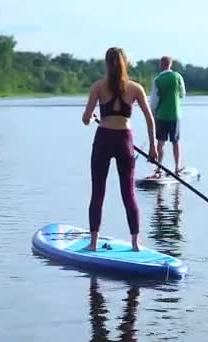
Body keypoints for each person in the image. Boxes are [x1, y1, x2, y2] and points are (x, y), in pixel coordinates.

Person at [81, 47, 158, 252]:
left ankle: (94, 243)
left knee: (98, 192)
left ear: (106, 64)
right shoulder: (135, 88)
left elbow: (86, 118)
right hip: (125, 141)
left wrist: (90, 118)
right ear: (126, 63)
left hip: (104, 139)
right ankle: (135, 244)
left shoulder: (98, 86)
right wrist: (152, 148)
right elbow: (150, 120)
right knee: (129, 194)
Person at [149, 56, 186, 176]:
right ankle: (177, 167)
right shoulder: (178, 77)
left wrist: (153, 115)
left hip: (162, 115)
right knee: (175, 141)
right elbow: (182, 94)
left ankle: (159, 168)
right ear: (171, 64)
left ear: (161, 65)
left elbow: (154, 101)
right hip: (175, 115)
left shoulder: (157, 80)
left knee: (160, 142)